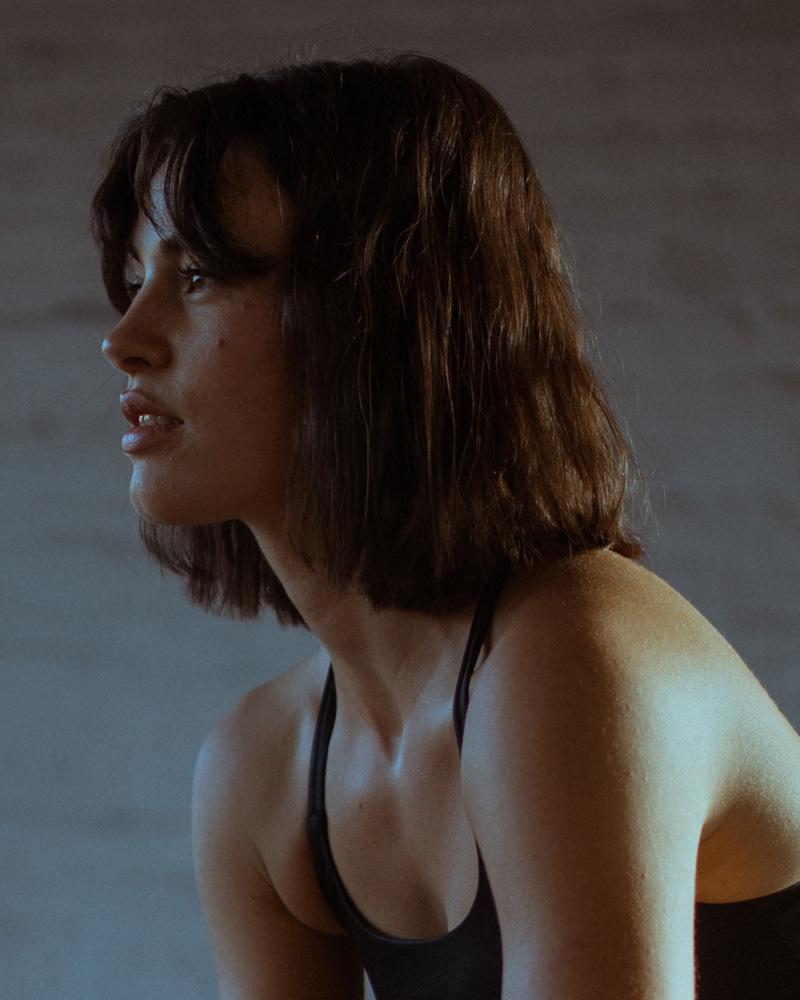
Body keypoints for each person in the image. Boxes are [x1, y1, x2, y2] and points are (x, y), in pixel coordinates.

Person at [92, 53, 800, 1000]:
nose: (124, 339)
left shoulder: (572, 660)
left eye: (199, 275)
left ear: (373, 315)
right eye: (135, 277)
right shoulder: (263, 769)